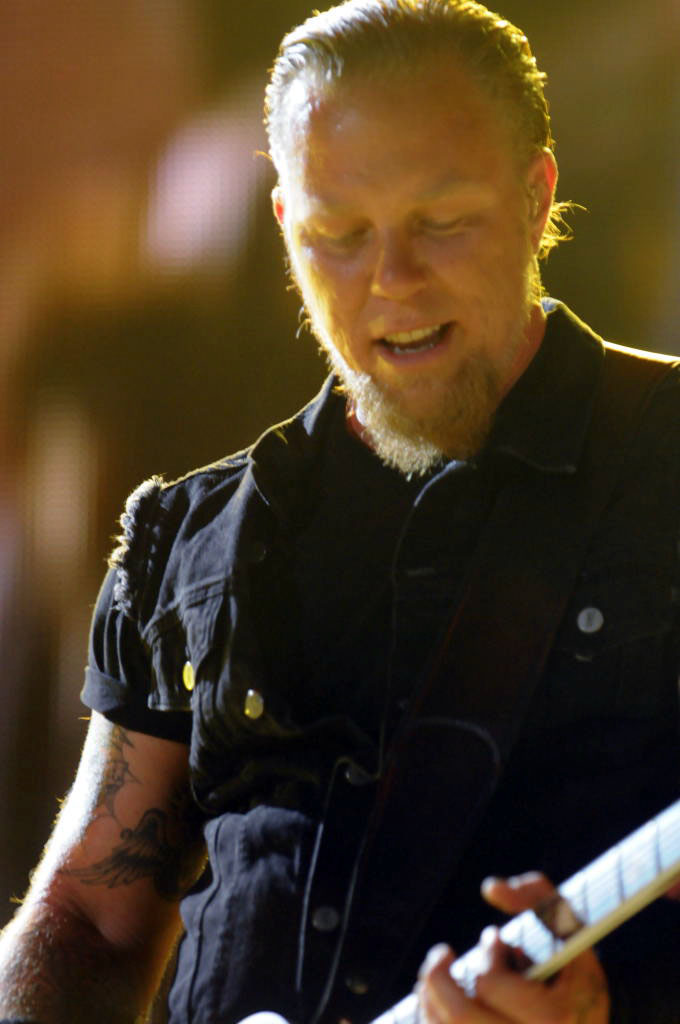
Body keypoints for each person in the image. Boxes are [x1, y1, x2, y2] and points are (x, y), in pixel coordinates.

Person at [1, 1, 679, 1022]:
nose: (391, 280)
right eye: (338, 235)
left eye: (441, 223)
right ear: (286, 226)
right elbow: (90, 920)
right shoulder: (191, 537)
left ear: (537, 196)